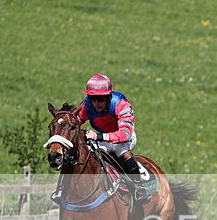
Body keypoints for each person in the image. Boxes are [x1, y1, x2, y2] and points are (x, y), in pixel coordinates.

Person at [52, 74, 153, 204]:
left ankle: (139, 187)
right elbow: (75, 122)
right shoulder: (87, 105)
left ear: (108, 97)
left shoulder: (121, 104)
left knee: (121, 151)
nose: (96, 103)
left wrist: (99, 136)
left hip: (123, 138)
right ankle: (62, 189)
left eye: (100, 99)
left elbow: (125, 134)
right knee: (78, 152)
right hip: (100, 137)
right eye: (93, 99)